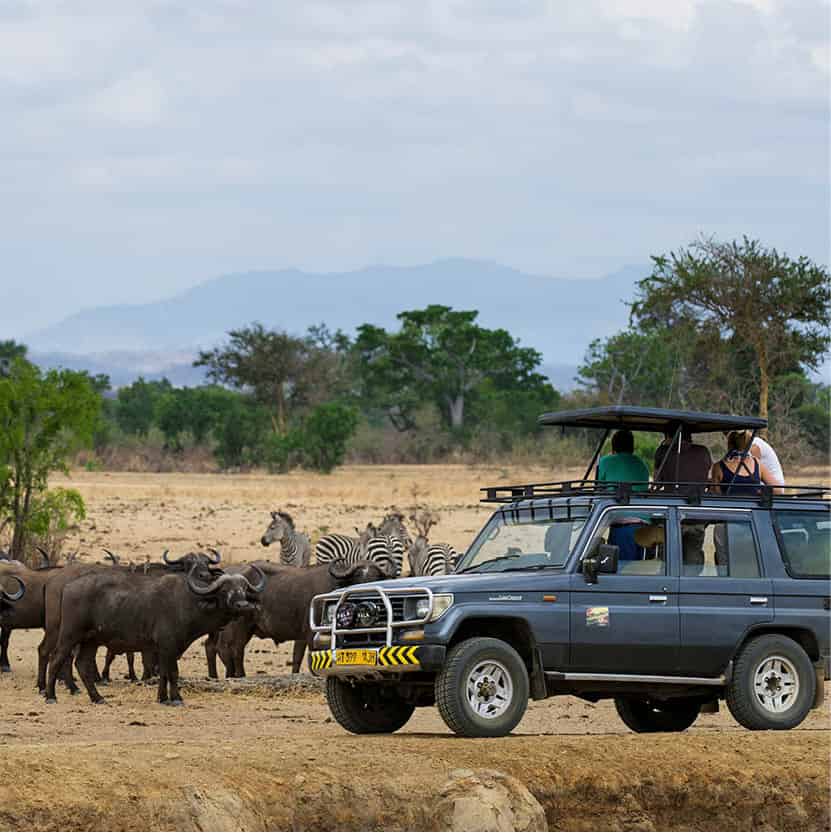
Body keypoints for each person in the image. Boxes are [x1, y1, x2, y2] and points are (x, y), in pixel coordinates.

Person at [711, 430, 781, 496]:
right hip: (753, 507)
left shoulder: (718, 467)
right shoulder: (757, 464)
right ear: (748, 443)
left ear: (729, 443)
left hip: (730, 506)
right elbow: (777, 490)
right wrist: (759, 491)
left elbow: (716, 494)